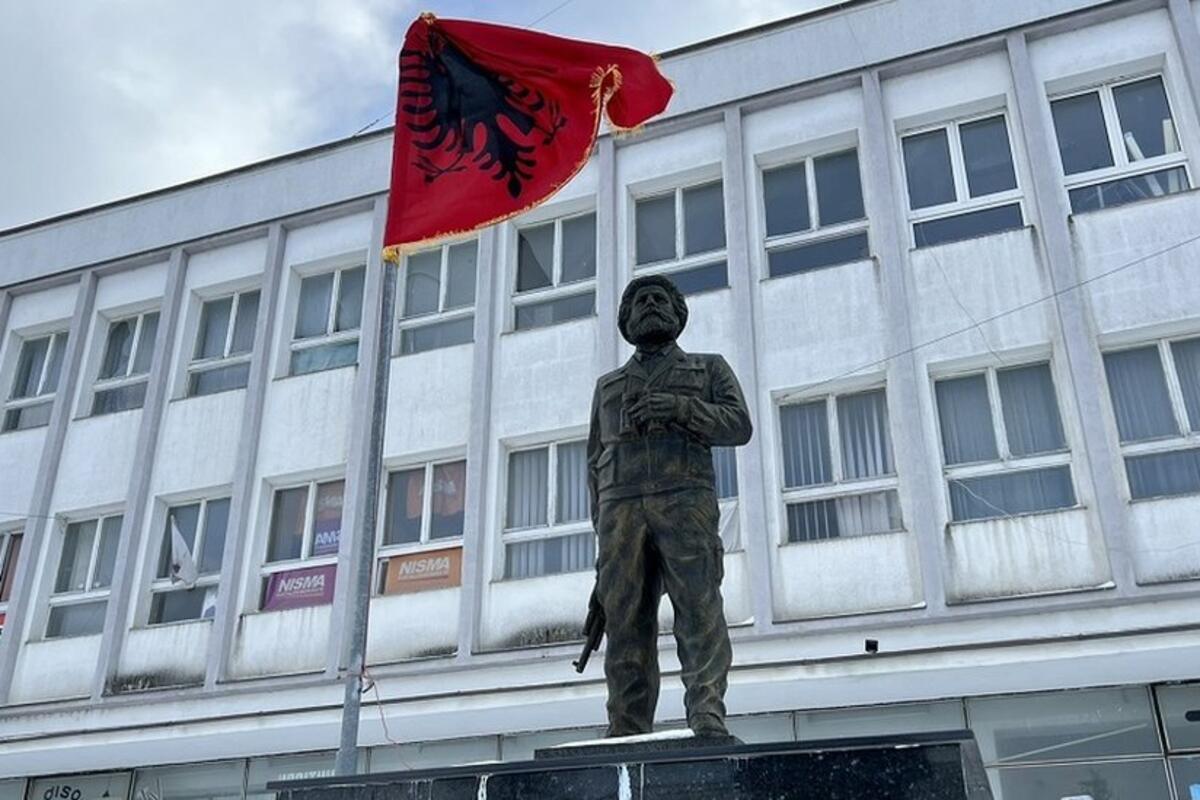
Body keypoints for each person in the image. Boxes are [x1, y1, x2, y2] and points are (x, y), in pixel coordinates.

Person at [585, 274, 752, 738]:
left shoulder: (707, 369)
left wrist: (679, 409)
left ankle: (706, 712)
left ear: (679, 315)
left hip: (685, 502)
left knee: (699, 611)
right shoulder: (608, 386)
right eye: (640, 301)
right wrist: (602, 549)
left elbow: (739, 424)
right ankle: (626, 724)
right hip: (620, 514)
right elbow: (595, 465)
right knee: (624, 623)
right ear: (625, 322)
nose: (651, 305)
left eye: (660, 299)